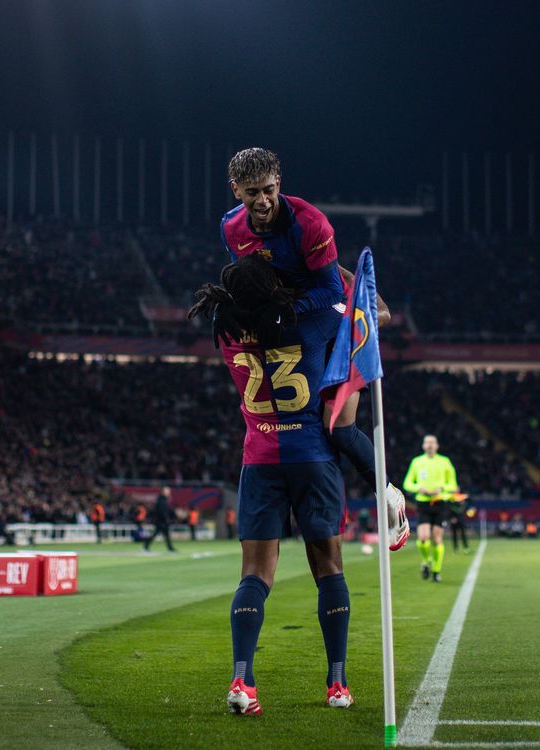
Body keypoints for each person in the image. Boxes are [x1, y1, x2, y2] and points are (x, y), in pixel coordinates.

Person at [188, 253, 356, 715]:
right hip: (312, 457)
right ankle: (337, 683)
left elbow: (240, 303)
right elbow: (366, 310)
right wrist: (330, 271)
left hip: (260, 458)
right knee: (329, 569)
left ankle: (243, 678)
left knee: (255, 575)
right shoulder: (316, 322)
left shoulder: (225, 331)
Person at [220, 147, 407, 544]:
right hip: (298, 320)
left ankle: (388, 494)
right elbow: (250, 281)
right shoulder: (231, 229)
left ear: (279, 184)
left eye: (269, 189)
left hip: (331, 307)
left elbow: (327, 287)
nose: (263, 200)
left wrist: (288, 312)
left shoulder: (311, 223)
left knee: (337, 426)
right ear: (236, 190)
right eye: (252, 192)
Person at [403, 435, 459, 583]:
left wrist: (441, 488)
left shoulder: (445, 462)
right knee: (423, 538)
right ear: (423, 446)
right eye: (427, 442)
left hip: (440, 503)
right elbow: (407, 483)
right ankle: (426, 561)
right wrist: (418, 488)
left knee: (437, 537)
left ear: (437, 446)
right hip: (423, 504)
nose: (429, 445)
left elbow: (453, 484)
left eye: (432, 442)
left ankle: (436, 570)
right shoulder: (417, 462)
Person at [143, 486, 177, 553]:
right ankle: (170, 548)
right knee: (159, 534)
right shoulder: (161, 500)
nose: (169, 492)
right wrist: (166, 518)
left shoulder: (163, 499)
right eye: (168, 491)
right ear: (164, 492)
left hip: (161, 521)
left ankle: (146, 545)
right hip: (161, 521)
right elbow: (162, 511)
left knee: (162, 535)